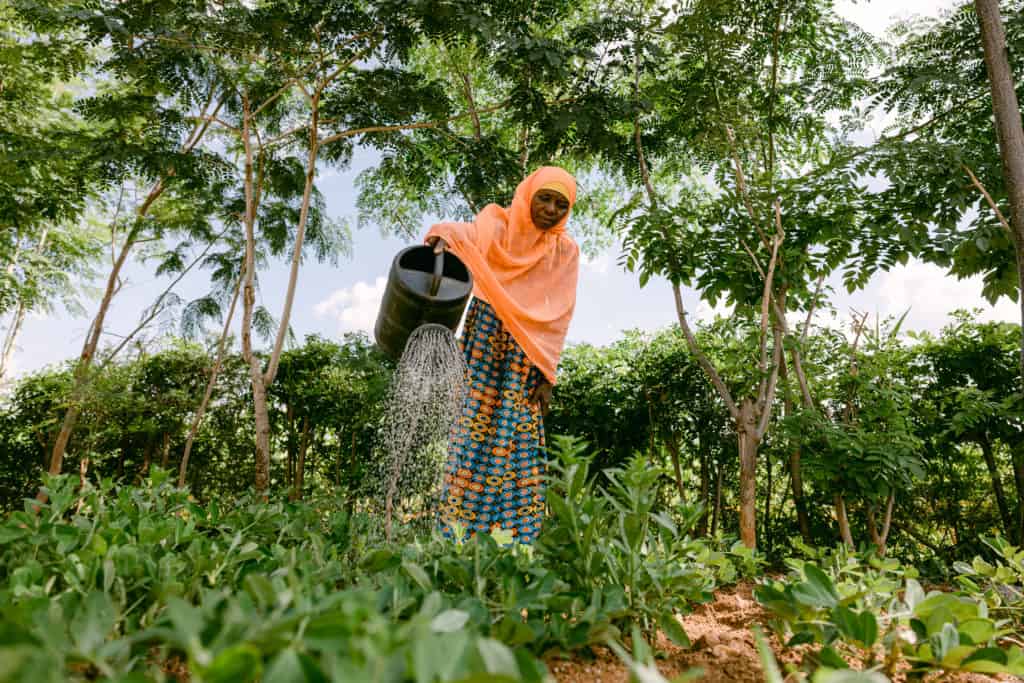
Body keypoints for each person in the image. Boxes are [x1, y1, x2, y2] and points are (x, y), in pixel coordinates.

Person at [425, 166, 580, 544]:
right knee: (470, 432)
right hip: (484, 340)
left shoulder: (565, 251)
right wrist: (440, 241)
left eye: (561, 204)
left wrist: (548, 375)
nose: (550, 209)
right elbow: (451, 232)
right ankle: (456, 539)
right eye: (544, 198)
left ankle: (513, 542)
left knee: (517, 441)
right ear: (528, 195)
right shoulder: (496, 227)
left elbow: (560, 313)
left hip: (525, 357)